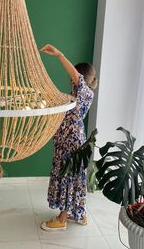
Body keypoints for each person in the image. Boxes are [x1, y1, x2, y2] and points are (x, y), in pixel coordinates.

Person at [39, 44, 97, 231]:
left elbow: (77, 77)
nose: (71, 80)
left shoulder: (84, 90)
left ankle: (62, 219)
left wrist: (59, 55)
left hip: (70, 141)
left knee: (66, 175)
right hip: (72, 139)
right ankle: (78, 214)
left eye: (74, 77)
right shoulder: (79, 93)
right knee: (73, 176)